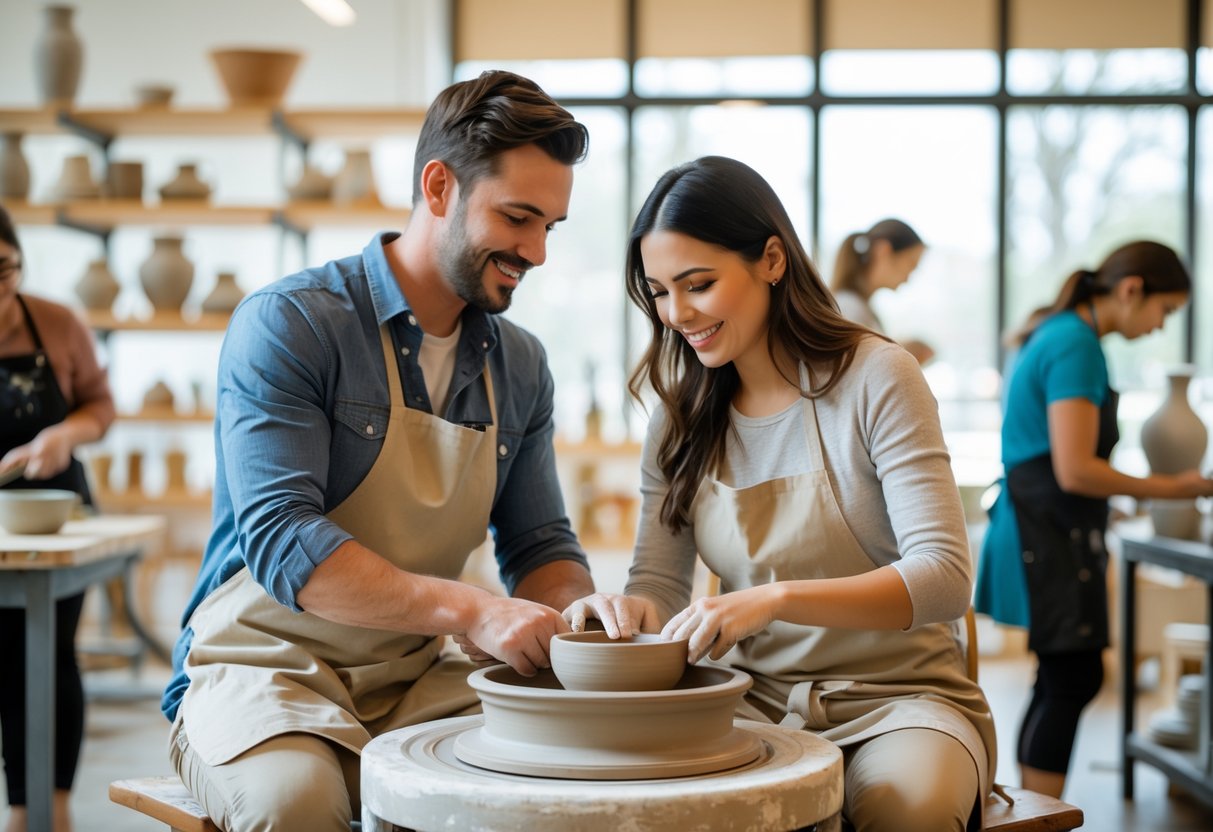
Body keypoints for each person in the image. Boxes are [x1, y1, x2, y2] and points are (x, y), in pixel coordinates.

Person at [160, 70, 596, 831]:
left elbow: (537, 543)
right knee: (298, 803)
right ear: (438, 187)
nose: (536, 251)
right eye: (518, 218)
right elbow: (284, 539)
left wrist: (578, 609)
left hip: (417, 671)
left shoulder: (519, 364)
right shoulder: (293, 324)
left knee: (557, 779)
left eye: (549, 228)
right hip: (265, 665)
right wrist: (474, 609)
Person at [566, 157, 996, 832]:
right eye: (657, 292)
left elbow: (943, 580)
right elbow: (659, 584)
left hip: (900, 701)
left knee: (902, 809)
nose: (676, 314)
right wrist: (624, 612)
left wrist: (775, 598)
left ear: (770, 260)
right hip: (746, 702)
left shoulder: (878, 378)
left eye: (698, 284)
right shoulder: (677, 416)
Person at [975, 241, 1213, 799]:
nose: (1160, 326)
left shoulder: (1058, 333)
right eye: (1166, 311)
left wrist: (1121, 499)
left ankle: (1034, 808)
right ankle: (1039, 812)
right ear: (1132, 290)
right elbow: (1076, 469)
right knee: (1072, 678)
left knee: (1061, 677)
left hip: (1039, 524)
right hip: (1045, 532)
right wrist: (1169, 488)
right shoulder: (1076, 344)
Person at [0, 206, 116, 832]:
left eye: (3, 268)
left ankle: (45, 810)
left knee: (44, 657)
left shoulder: (57, 322)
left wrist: (65, 432)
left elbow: (101, 404)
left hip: (56, 515)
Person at [829, 218, 934, 364]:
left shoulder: (857, 307)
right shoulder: (850, 308)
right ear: (883, 250)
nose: (908, 278)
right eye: (910, 263)